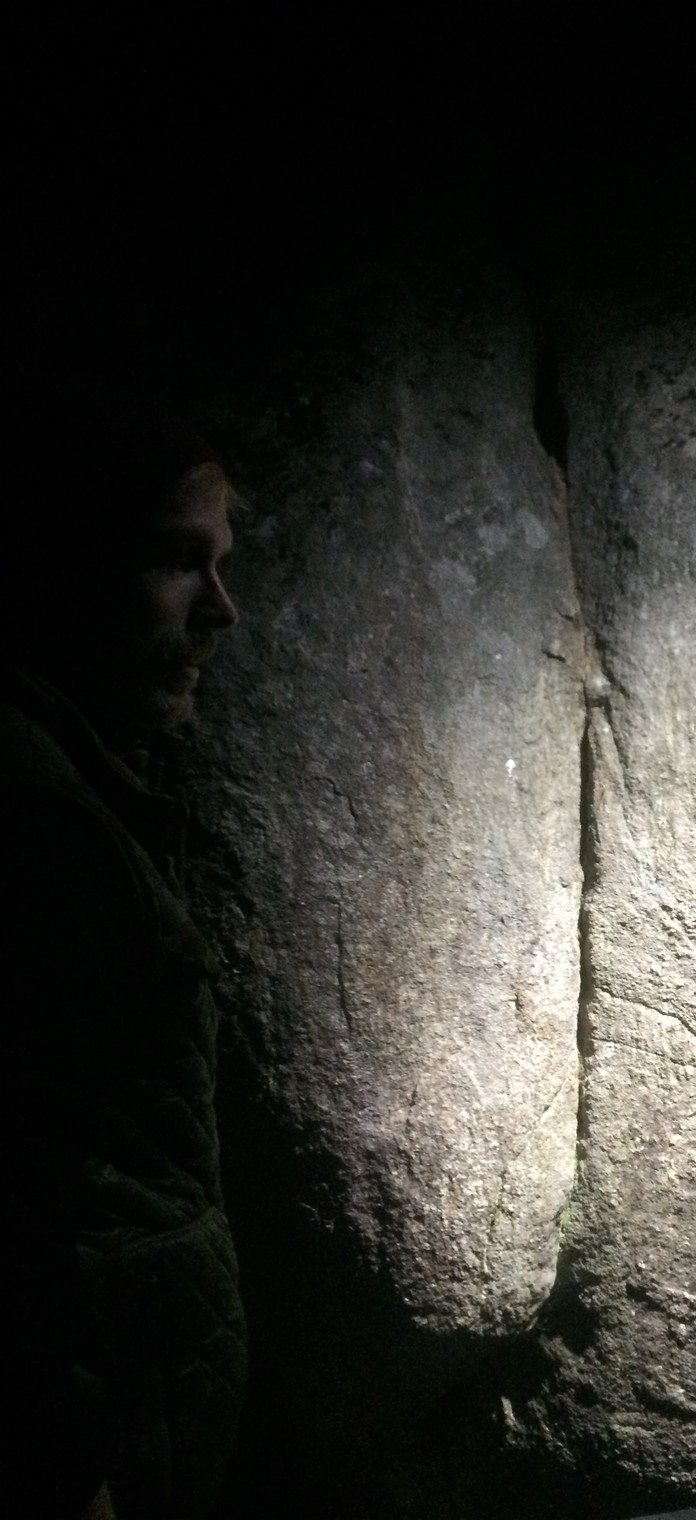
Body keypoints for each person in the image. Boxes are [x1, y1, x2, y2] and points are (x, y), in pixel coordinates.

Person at [0, 394, 247, 1519]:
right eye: (176, 561)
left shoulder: (81, 787)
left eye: (221, 564)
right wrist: (70, 1472)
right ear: (59, 567)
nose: (222, 609)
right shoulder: (33, 822)